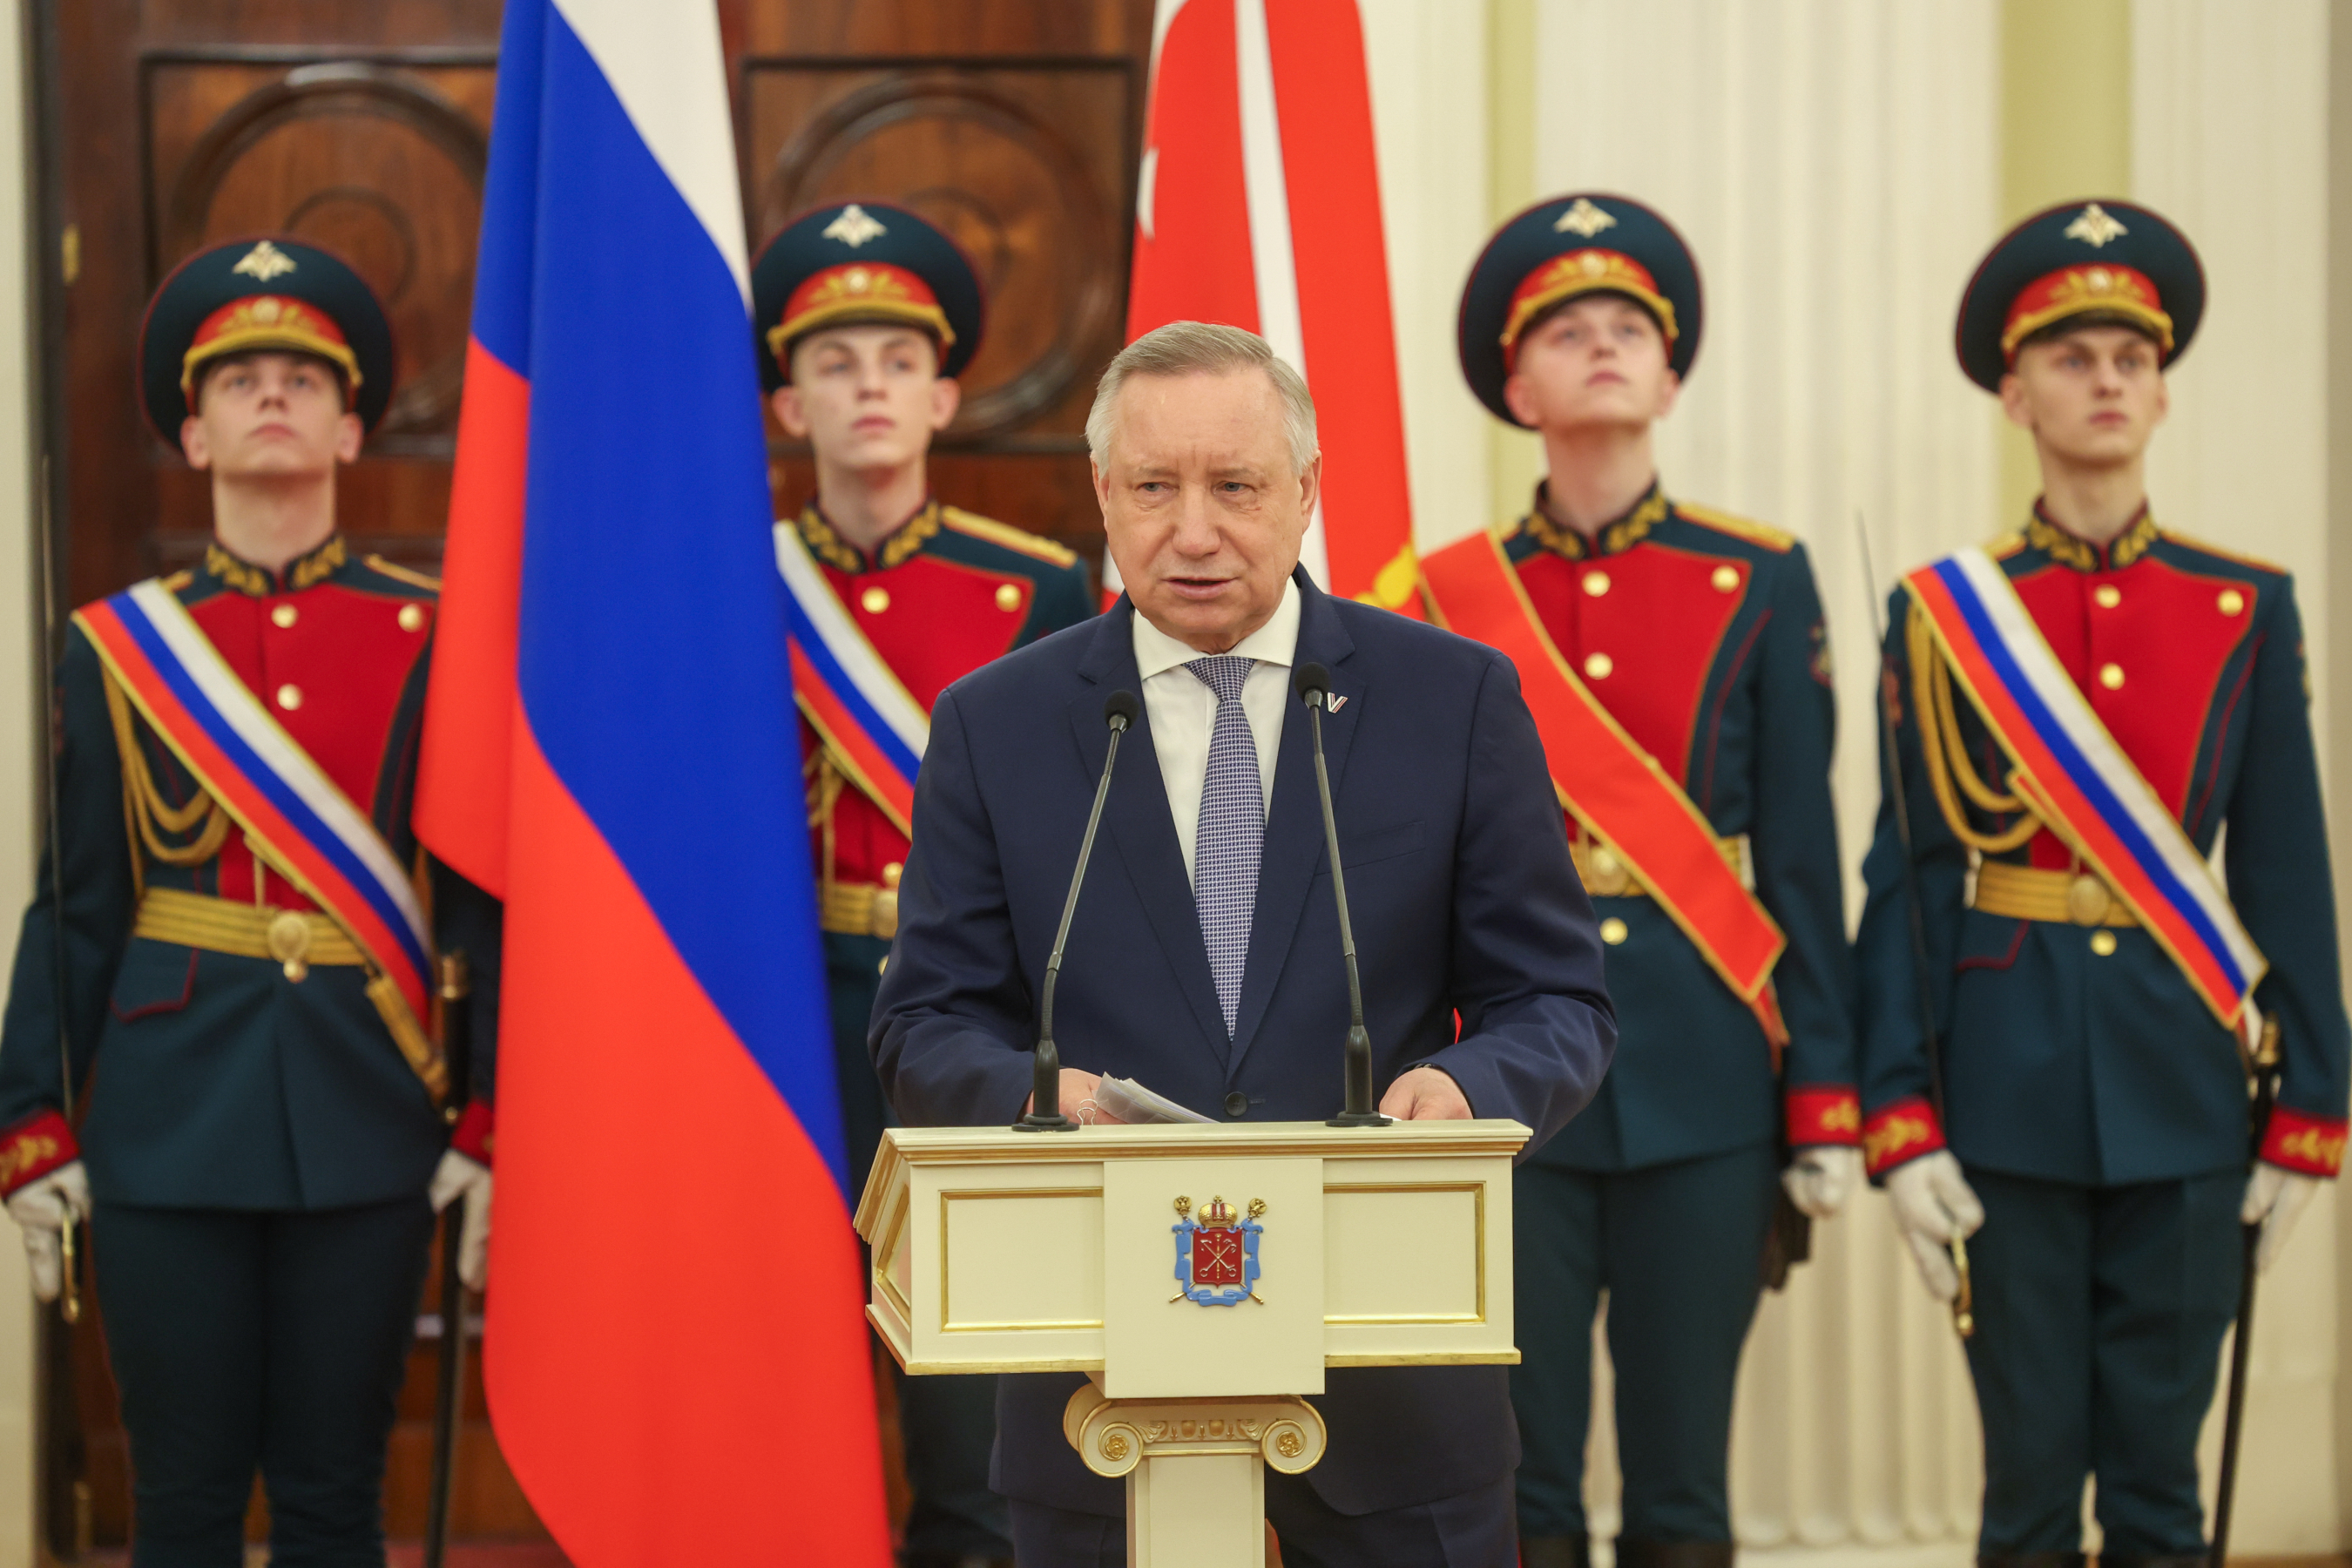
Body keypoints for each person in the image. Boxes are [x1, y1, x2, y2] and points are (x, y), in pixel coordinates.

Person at [872, 320, 1615, 1567]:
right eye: (1153, 488)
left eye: (1236, 486)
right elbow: (922, 1025)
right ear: (1103, 495)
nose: (1195, 532)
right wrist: (1038, 1100)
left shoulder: (1452, 698)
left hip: (1392, 1380)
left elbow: (1557, 1000)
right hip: (1097, 1389)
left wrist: (1468, 1090)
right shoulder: (996, 724)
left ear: (1307, 491)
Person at [1856, 199, 2349, 1565]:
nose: (2109, 381)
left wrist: (2314, 1103)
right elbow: (1907, 885)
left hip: (2189, 1087)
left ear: (2164, 393)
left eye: (2134, 358)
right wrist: (1899, 1115)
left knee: (2159, 1495)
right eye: (2073, 359)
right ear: (2016, 394)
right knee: (2025, 1497)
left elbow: (2289, 873)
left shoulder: (2244, 606)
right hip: (1999, 1086)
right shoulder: (1943, 615)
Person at [0, 236, 501, 1563]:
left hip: (369, 1104)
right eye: (238, 382)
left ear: (349, 429)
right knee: (183, 1502)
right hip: (167, 1118)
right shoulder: (117, 647)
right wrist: (30, 1115)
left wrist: (494, 1107)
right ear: (193, 434)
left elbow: (475, 901)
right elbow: (78, 904)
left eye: (301, 379)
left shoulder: (438, 634)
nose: (270, 396)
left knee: (336, 1498)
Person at [1417, 193, 1862, 1568]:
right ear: (1517, 389)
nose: (1602, 346)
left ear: (1669, 378)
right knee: (1519, 1478)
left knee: (1682, 1489)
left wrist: (1824, 1098)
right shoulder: (1437, 597)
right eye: (1566, 332)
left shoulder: (1761, 576)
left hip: (1709, 1073)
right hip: (1500, 1076)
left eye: (1629, 328)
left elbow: (1801, 858)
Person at [750, 200, 1094, 1568]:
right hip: (779, 1020)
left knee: (968, 1410)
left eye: (899, 361)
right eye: (835, 364)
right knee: (784, 1390)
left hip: (971, 1022)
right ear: (789, 404)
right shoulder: (733, 588)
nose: (870, 387)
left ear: (945, 397)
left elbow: (1083, 836)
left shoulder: (1038, 590)